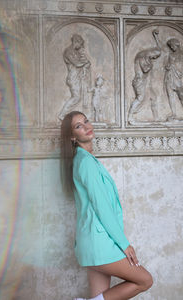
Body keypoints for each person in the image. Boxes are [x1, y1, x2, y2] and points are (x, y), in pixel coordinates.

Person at [60, 111, 153, 300]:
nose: (86, 126)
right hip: (99, 243)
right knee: (145, 280)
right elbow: (102, 207)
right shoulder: (85, 163)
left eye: (85, 121)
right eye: (78, 126)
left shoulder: (84, 160)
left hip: (92, 244)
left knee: (100, 297)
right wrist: (124, 244)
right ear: (72, 137)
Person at [58, 34, 91, 120]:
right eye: (80, 44)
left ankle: (64, 115)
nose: (81, 46)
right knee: (76, 97)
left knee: (78, 97)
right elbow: (77, 63)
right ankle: (62, 115)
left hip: (78, 77)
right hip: (73, 77)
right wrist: (85, 62)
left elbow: (85, 62)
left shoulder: (76, 52)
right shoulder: (68, 51)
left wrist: (86, 63)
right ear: (76, 42)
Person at [164, 38, 183, 121]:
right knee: (170, 95)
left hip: (178, 76)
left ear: (177, 44)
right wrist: (168, 66)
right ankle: (174, 114)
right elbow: (168, 64)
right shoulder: (171, 55)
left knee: (181, 95)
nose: (171, 47)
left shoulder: (182, 54)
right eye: (170, 46)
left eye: (172, 45)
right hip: (169, 75)